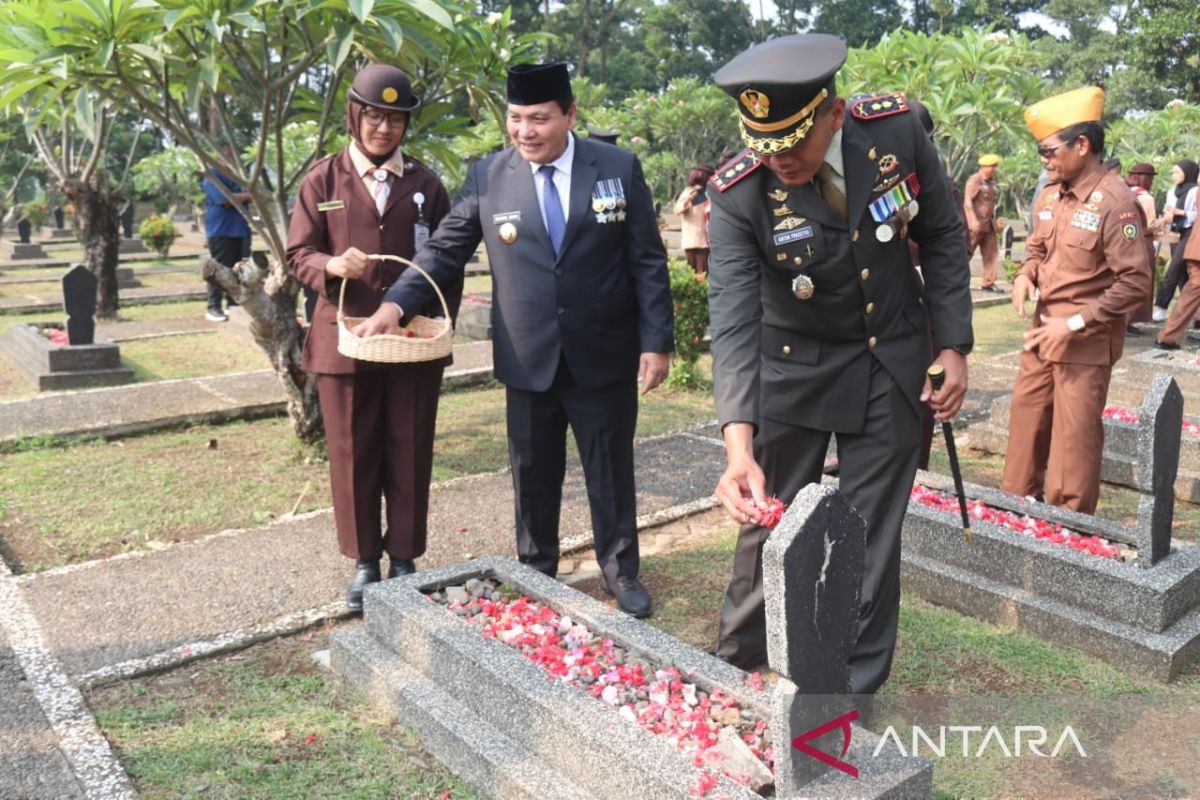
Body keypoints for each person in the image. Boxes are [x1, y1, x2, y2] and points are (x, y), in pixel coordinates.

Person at [353, 63, 675, 619]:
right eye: (517, 118)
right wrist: (394, 305)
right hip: (528, 355)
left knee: (610, 470)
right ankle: (537, 570)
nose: (525, 131)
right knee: (533, 473)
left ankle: (621, 571)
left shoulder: (616, 167)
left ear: (570, 115)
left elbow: (646, 260)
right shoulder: (489, 175)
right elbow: (443, 250)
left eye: (540, 119)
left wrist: (657, 341)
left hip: (603, 351)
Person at [704, 34, 973, 694]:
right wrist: (738, 448)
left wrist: (954, 347)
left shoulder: (896, 132)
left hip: (891, 357)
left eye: (795, 142)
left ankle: (847, 691)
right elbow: (735, 321)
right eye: (765, 146)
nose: (781, 161)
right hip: (795, 365)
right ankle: (738, 666)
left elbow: (940, 234)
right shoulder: (739, 193)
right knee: (769, 518)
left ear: (835, 113)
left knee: (867, 535)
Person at [286, 63, 454, 612]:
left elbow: (445, 260)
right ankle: (365, 563)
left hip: (411, 340)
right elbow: (297, 254)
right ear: (355, 115)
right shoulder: (322, 180)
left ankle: (404, 559)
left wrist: (427, 316)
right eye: (375, 116)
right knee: (353, 453)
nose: (384, 129)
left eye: (396, 119)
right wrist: (332, 264)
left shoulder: (426, 184)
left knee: (408, 447)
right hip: (344, 341)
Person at [1000, 86, 1152, 514]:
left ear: (1082, 145)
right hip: (1043, 331)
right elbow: (1037, 249)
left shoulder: (1115, 203)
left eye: (1049, 151)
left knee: (1072, 445)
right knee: (1025, 428)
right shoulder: (1051, 193)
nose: (1044, 161)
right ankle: (1014, 515)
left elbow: (1135, 283)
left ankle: (1067, 533)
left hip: (1084, 340)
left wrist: (1075, 322)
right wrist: (1026, 274)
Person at [202, 145, 253, 322]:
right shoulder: (212, 177)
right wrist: (250, 195)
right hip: (222, 229)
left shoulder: (239, 177)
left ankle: (233, 303)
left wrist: (248, 194)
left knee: (240, 269)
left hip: (240, 228)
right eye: (229, 156)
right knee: (220, 268)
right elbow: (226, 200)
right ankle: (213, 306)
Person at [1151, 159, 1198, 321]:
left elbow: (1197, 215)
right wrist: (1167, 217)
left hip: (1190, 233)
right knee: (1182, 275)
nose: (1174, 175)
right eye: (1173, 172)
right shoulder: (1172, 192)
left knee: (1173, 269)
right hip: (1176, 232)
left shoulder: (1195, 191)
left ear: (1188, 173)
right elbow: (1169, 212)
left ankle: (1161, 307)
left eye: (1178, 172)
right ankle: (1190, 312)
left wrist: (1182, 212)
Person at [1156, 206, 1200, 349]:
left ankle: (1166, 337)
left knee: (1190, 295)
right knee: (1191, 294)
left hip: (1195, 247)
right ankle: (1166, 337)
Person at [1125, 162, 1159, 333]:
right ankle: (1131, 320)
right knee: (1142, 281)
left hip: (1126, 241)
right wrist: (1166, 219)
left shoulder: (1125, 193)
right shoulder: (1146, 198)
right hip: (1143, 242)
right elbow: (1150, 225)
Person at [964, 154, 1003, 292]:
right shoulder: (975, 180)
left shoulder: (992, 183)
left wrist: (996, 221)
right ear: (984, 167)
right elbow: (968, 202)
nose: (994, 169)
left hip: (989, 224)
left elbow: (991, 204)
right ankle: (956, 280)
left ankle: (989, 283)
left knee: (991, 253)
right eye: (991, 167)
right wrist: (972, 221)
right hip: (976, 224)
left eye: (995, 167)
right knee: (966, 252)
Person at [673, 165, 714, 274]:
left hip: (706, 243)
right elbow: (677, 210)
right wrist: (690, 198)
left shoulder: (710, 193)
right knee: (693, 273)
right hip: (692, 241)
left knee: (704, 274)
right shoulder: (688, 192)